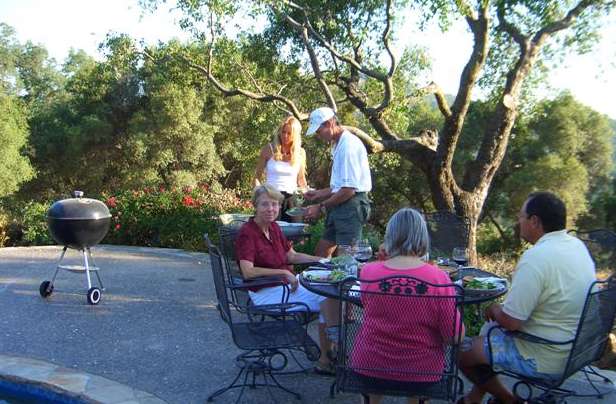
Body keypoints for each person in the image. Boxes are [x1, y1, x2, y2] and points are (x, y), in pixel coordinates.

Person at [458, 192, 596, 404]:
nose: (518, 221)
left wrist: (495, 309)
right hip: (572, 348)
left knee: (462, 352)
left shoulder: (536, 258)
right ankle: (473, 398)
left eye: (521, 216)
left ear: (534, 221)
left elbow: (512, 322)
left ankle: (510, 400)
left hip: (542, 354)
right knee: (487, 333)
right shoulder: (576, 246)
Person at [351, 208, 465, 404]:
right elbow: (453, 337)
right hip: (421, 372)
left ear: (390, 236)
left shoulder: (368, 272)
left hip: (370, 365)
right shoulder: (439, 278)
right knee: (419, 379)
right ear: (423, 237)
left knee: (372, 377)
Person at [235, 184, 340, 374]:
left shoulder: (274, 227)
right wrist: (283, 273)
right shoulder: (248, 233)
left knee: (331, 289)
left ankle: (330, 353)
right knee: (328, 297)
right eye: (265, 205)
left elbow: (291, 256)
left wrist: (323, 260)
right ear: (255, 206)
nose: (271, 209)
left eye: (274, 204)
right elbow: (248, 272)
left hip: (284, 286)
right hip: (267, 292)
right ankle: (330, 356)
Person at [303, 107, 372, 257]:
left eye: (318, 131)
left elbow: (349, 190)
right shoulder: (339, 144)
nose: (317, 135)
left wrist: (320, 207)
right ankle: (320, 279)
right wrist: (318, 194)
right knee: (320, 254)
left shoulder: (348, 146)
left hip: (352, 206)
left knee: (347, 259)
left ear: (329, 123)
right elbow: (340, 185)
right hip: (341, 205)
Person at [254, 116, 308, 222]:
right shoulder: (268, 149)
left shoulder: (300, 153)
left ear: (295, 135)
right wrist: (258, 197)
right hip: (271, 197)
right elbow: (257, 177)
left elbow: (301, 180)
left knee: (295, 234)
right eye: (283, 132)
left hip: (292, 199)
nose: (285, 136)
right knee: (269, 233)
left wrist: (306, 194)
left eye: (289, 133)